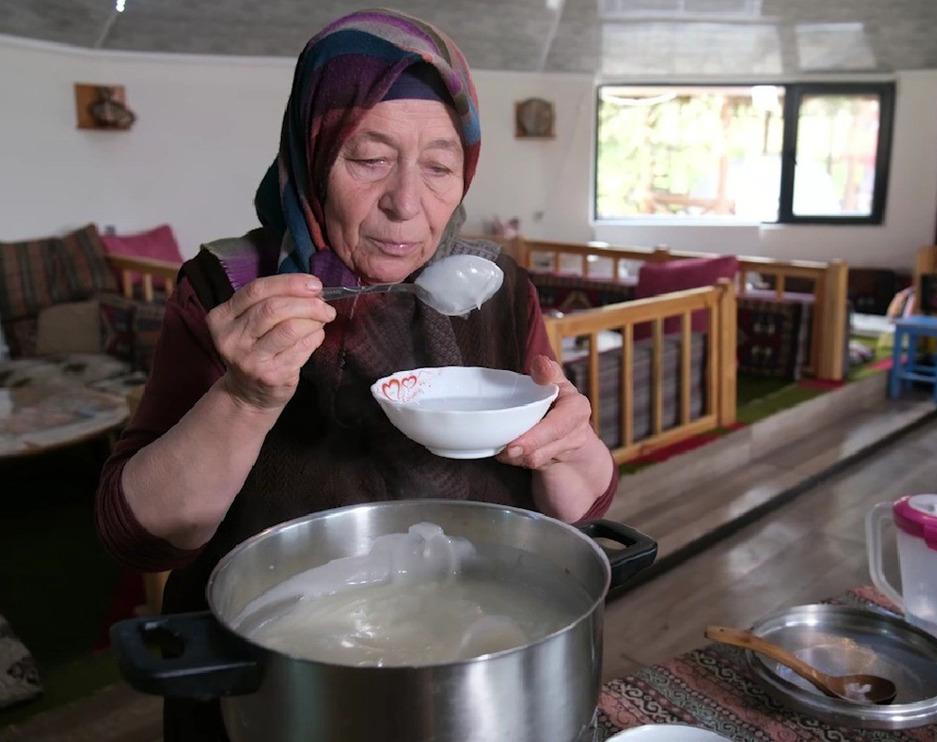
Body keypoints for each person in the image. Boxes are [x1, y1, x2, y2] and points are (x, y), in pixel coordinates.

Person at [95, 9, 616, 739]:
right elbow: (139, 535)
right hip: (283, 673)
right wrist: (245, 397)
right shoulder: (230, 288)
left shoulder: (496, 286)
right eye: (368, 159)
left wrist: (570, 446)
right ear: (312, 156)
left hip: (477, 655)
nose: (409, 204)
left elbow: (577, 507)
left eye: (439, 167)